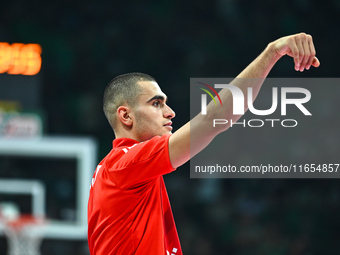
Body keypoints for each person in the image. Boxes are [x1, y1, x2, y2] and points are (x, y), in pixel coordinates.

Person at [87, 32, 320, 255]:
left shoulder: (118, 170)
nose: (170, 112)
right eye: (156, 104)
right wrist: (272, 53)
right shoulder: (126, 163)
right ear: (126, 116)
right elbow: (213, 120)